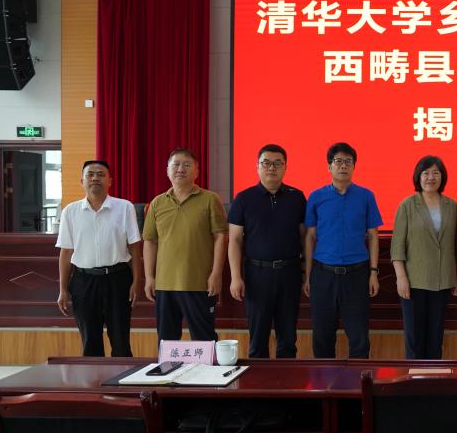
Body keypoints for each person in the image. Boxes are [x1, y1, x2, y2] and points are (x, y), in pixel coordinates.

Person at [55, 160, 142, 356]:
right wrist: (63, 289)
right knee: (90, 341)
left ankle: (122, 376)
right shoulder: (70, 211)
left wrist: (137, 282)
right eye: (90, 175)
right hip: (83, 281)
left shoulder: (124, 207)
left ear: (110, 181)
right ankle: (93, 376)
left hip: (118, 279)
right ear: (82, 181)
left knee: (120, 340)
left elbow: (135, 249)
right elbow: (66, 252)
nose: (95, 178)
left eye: (101, 174)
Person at [227, 143, 306, 358]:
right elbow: (234, 240)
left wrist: (306, 272)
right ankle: (258, 379)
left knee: (287, 338)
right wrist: (235, 277)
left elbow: (305, 237)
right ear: (257, 166)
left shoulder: (297, 197)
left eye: (277, 163)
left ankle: (287, 378)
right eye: (266, 163)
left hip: (289, 273)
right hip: (257, 274)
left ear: (285, 167)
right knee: (258, 339)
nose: (272, 168)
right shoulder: (244, 198)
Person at [305, 142, 383, 358]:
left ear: (354, 166)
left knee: (359, 337)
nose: (343, 166)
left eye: (348, 162)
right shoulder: (316, 197)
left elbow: (373, 236)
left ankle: (359, 380)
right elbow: (310, 237)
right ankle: (324, 380)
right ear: (329, 166)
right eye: (338, 161)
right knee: (322, 337)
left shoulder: (366, 196)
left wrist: (373, 273)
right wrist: (308, 276)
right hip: (323, 275)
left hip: (357, 275)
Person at [143, 148, 227, 342]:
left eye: (187, 165)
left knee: (204, 339)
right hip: (165, 284)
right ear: (167, 170)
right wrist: (149, 277)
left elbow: (220, 237)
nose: (180, 169)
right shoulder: (157, 203)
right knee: (167, 341)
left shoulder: (210, 199)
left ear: (197, 171)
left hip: (199, 283)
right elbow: (150, 241)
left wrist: (216, 274)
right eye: (176, 165)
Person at [390, 156, 457, 359]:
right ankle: (414, 377)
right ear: (418, 177)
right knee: (414, 339)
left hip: (443, 280)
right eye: (426, 173)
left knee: (435, 338)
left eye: (436, 173)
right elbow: (397, 246)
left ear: (442, 177)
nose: (431, 177)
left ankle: (433, 376)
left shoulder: (453, 206)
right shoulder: (407, 205)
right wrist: (401, 278)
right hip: (414, 281)